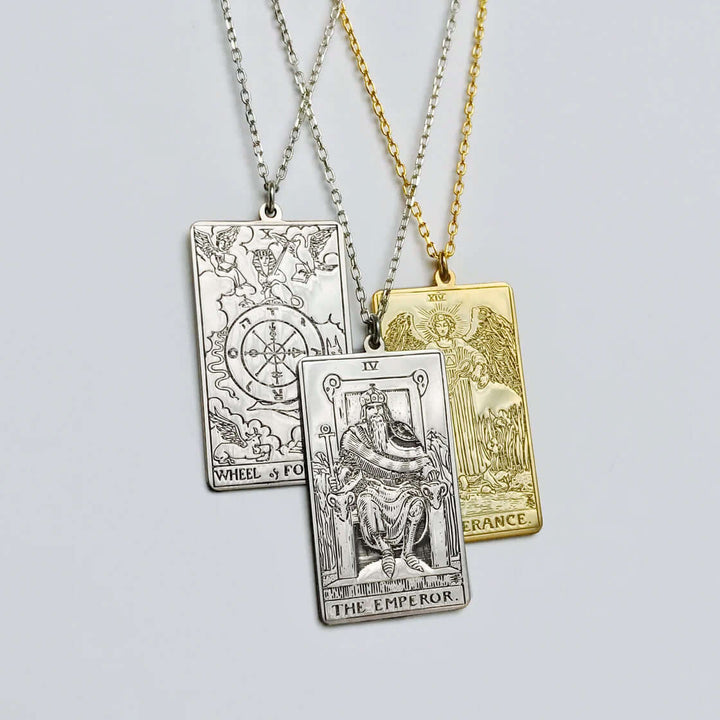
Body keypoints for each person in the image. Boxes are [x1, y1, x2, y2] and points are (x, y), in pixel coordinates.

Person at [335, 385, 438, 578]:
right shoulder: (354, 435)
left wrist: (428, 470)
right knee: (366, 502)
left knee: (416, 503)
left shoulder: (400, 430)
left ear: (385, 409)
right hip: (373, 488)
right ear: (365, 412)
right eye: (371, 408)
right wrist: (344, 472)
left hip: (402, 487)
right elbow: (346, 462)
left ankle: (408, 552)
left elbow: (420, 458)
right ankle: (386, 551)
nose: (376, 412)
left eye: (379, 407)